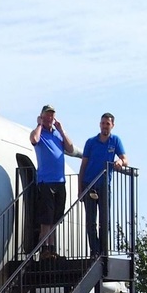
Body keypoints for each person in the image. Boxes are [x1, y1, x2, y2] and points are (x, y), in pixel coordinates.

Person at [77, 113, 128, 257]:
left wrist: (120, 162)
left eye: (108, 124)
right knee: (91, 221)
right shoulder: (91, 142)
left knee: (104, 220)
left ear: (112, 125)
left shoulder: (115, 141)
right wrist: (79, 186)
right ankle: (95, 250)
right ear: (100, 124)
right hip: (90, 183)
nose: (105, 126)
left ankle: (103, 250)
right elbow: (84, 164)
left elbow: (125, 159)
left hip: (104, 184)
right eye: (103, 123)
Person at [30, 104, 74, 260]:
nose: (50, 118)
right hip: (45, 181)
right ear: (42, 116)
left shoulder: (57, 135)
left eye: (52, 115)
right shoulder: (39, 133)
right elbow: (33, 140)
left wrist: (61, 129)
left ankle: (52, 249)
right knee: (46, 220)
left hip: (59, 181)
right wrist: (39, 124)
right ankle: (44, 249)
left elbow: (70, 148)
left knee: (55, 219)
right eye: (47, 115)